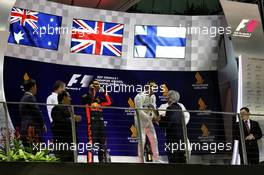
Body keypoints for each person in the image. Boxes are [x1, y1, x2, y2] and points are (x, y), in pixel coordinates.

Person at [82, 80, 112, 163]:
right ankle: (90, 163)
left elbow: (109, 102)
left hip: (101, 123)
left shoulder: (99, 99)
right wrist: (92, 90)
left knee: (102, 143)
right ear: (91, 86)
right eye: (95, 85)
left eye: (98, 85)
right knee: (91, 143)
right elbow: (85, 100)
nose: (97, 86)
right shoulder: (87, 97)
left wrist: (105, 92)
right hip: (91, 123)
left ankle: (102, 161)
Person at [51, 90, 81, 162]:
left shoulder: (69, 109)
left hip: (71, 143)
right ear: (64, 98)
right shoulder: (56, 108)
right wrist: (72, 119)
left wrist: (75, 119)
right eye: (69, 97)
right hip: (62, 144)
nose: (70, 99)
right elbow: (59, 122)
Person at [157, 90, 186, 163]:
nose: (166, 98)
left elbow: (168, 123)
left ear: (170, 98)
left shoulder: (169, 108)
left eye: (167, 97)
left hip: (173, 139)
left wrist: (158, 120)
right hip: (181, 138)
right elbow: (172, 119)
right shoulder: (179, 107)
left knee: (173, 161)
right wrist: (162, 118)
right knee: (182, 160)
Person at [134, 81, 159, 163]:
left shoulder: (153, 96)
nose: (154, 90)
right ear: (148, 87)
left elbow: (153, 107)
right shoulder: (139, 96)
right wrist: (149, 118)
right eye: (153, 88)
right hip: (140, 120)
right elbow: (139, 111)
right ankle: (141, 161)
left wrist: (155, 116)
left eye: (155, 88)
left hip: (149, 120)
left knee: (154, 139)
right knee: (142, 140)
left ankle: (157, 160)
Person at [19, 78, 46, 146]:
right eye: (35, 87)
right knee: (37, 152)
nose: (36, 89)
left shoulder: (23, 98)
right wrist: (42, 124)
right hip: (32, 131)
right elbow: (37, 113)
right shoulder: (30, 97)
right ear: (32, 88)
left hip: (24, 129)